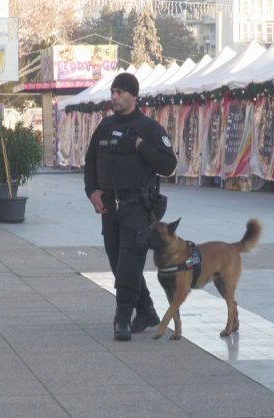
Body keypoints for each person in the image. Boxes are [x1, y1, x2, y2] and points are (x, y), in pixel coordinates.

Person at [84, 72, 177, 341]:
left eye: (120, 92)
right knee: (118, 262)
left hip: (138, 207)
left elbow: (168, 165)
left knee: (128, 264)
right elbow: (90, 162)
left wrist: (139, 145)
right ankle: (146, 310)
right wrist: (92, 191)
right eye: (113, 92)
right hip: (109, 207)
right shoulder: (104, 126)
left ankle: (122, 318)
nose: (114, 97)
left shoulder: (149, 129)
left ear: (134, 96)